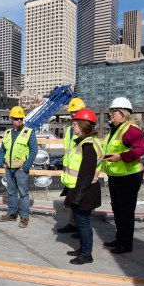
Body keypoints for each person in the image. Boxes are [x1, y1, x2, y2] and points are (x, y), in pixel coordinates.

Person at [101, 97, 144, 254]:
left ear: (122, 112)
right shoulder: (115, 130)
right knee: (117, 209)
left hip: (129, 177)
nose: (110, 114)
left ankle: (126, 244)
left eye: (113, 111)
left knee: (126, 211)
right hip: (116, 176)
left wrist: (120, 156)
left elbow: (142, 148)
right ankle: (119, 238)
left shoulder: (130, 129)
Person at [60, 109, 102, 265]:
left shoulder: (88, 146)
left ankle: (86, 254)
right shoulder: (83, 143)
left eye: (75, 123)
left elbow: (86, 176)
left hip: (85, 191)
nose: (73, 126)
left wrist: (77, 198)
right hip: (80, 190)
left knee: (84, 223)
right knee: (81, 222)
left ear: (83, 125)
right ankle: (83, 249)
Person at [0, 105, 38, 228]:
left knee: (23, 193)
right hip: (9, 168)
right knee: (11, 192)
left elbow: (34, 150)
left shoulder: (29, 132)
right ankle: (12, 214)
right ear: (12, 119)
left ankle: (24, 217)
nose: (19, 120)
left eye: (20, 118)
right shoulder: (7, 133)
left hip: (21, 169)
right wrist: (2, 162)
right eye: (16, 118)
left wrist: (26, 166)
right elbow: (2, 149)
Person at [57, 97, 86, 234]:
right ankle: (72, 223)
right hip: (70, 168)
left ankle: (80, 228)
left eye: (76, 111)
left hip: (81, 169)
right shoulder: (68, 128)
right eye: (72, 112)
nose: (73, 114)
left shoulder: (86, 128)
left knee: (80, 200)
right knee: (72, 198)